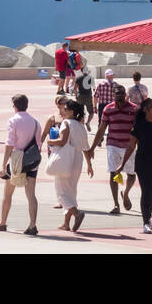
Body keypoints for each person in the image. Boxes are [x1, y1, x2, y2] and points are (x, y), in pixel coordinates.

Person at [0, 94, 40, 235]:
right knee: (31, 194)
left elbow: (9, 144)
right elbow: (38, 143)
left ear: (15, 106)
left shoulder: (13, 121)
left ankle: (3, 222)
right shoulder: (36, 122)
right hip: (32, 162)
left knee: (8, 193)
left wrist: (4, 163)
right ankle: (32, 225)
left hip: (16, 162)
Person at [118, 98, 152, 233]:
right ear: (145, 110)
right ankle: (145, 221)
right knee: (145, 191)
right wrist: (122, 164)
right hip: (142, 162)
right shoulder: (139, 125)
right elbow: (131, 145)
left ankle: (148, 217)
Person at [88, 83, 139, 213]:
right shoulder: (108, 109)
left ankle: (126, 193)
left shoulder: (134, 109)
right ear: (113, 95)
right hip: (113, 145)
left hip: (129, 146)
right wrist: (92, 148)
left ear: (125, 95)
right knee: (113, 173)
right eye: (118, 93)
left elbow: (138, 129)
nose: (120, 95)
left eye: (122, 93)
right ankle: (116, 204)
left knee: (131, 174)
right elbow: (101, 129)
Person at [48, 99, 92, 231]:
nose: (63, 111)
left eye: (65, 109)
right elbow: (86, 148)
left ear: (72, 111)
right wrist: (89, 164)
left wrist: (50, 140)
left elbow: (62, 141)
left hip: (66, 159)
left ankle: (77, 214)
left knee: (61, 192)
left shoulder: (66, 123)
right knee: (71, 192)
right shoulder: (80, 126)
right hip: (78, 160)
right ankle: (66, 223)